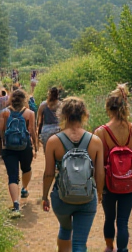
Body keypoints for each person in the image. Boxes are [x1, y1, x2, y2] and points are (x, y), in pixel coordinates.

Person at [42, 97, 104, 252]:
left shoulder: (54, 141)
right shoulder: (95, 141)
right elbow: (100, 172)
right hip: (87, 197)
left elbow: (49, 173)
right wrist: (99, 193)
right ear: (84, 115)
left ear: (63, 115)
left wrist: (44, 196)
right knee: (79, 243)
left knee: (65, 228)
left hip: (61, 197)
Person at [94, 84, 132, 252]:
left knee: (109, 219)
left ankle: (109, 248)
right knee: (123, 221)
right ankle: (122, 249)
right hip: (128, 185)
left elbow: (99, 165)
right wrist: (129, 173)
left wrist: (99, 190)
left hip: (109, 184)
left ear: (108, 108)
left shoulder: (101, 132)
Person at [0, 89, 38, 213]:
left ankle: (16, 204)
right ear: (24, 100)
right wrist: (35, 145)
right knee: (26, 168)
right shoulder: (29, 113)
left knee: (13, 177)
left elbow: (1, 131)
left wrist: (2, 147)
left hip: (9, 148)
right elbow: (32, 130)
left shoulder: (4, 112)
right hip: (25, 147)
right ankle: (24, 188)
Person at [37, 87, 61, 152]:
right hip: (58, 130)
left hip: (46, 130)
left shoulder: (43, 105)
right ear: (58, 95)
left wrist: (38, 134)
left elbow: (39, 122)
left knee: (47, 152)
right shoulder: (61, 105)